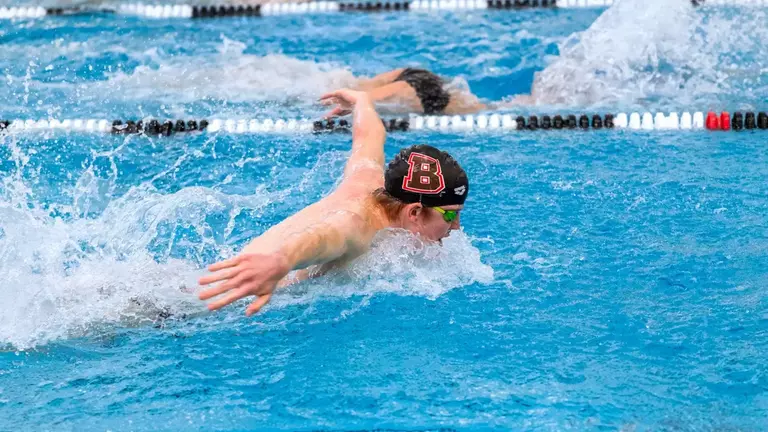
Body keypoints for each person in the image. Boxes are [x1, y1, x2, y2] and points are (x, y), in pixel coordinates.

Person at [198, 88, 471, 316]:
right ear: (414, 212)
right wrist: (281, 260)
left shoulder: (370, 181)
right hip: (209, 305)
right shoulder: (358, 225)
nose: (456, 227)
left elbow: (369, 139)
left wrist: (362, 102)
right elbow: (321, 236)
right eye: (449, 215)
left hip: (223, 284)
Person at [342, 68, 489, 116]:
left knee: (356, 92)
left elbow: (358, 100)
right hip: (417, 82)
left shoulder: (404, 91)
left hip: (414, 84)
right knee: (356, 95)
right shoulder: (463, 103)